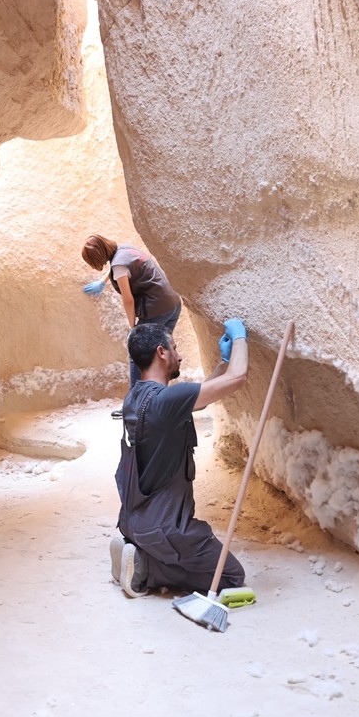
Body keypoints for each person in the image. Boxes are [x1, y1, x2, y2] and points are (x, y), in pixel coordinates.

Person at [108, 318, 250, 598]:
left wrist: (222, 363)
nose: (179, 354)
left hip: (134, 522)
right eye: (174, 347)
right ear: (161, 352)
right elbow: (239, 378)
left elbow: (200, 398)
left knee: (197, 562)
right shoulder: (167, 401)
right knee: (232, 575)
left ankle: (138, 552)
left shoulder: (135, 397)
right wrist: (240, 338)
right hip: (166, 529)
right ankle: (146, 566)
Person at [81, 234, 182, 399]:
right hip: (173, 304)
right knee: (164, 352)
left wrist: (132, 327)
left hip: (157, 308)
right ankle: (161, 399)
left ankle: (136, 401)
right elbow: (121, 268)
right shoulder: (125, 249)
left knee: (137, 352)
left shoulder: (119, 266)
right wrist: (103, 280)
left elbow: (128, 300)